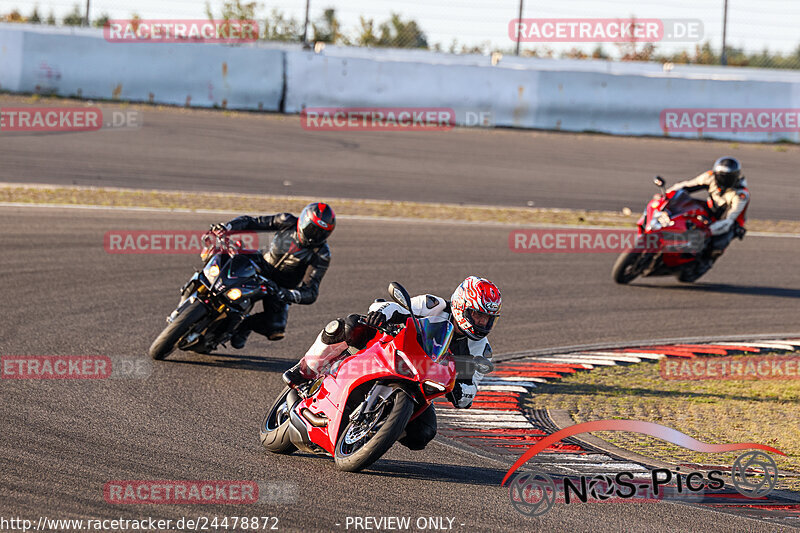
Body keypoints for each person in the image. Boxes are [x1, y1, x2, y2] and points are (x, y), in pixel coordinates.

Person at [283, 276, 502, 451]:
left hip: (420, 381)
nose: (483, 323)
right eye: (478, 315)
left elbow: (471, 389)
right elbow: (394, 307)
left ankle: (376, 430)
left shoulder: (481, 350)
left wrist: (462, 392)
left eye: (488, 318)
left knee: (424, 433)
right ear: (461, 305)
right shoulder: (432, 305)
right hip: (391, 350)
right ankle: (306, 370)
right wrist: (380, 314)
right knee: (348, 326)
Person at [210, 202, 335, 349]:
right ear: (303, 220)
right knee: (224, 259)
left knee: (275, 328)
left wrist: (285, 293)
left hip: (280, 286)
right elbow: (252, 222)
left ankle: (244, 325)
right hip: (260, 265)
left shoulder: (321, 254)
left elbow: (311, 292)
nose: (314, 235)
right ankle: (200, 287)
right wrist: (228, 228)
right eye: (311, 229)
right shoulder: (286, 221)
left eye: (321, 232)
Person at [666, 157, 749, 275]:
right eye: (721, 176)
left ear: (735, 176)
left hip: (730, 220)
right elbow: (685, 186)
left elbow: (729, 219)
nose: (723, 180)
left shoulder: (741, 195)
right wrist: (667, 195)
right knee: (688, 210)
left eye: (727, 177)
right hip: (711, 209)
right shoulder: (710, 176)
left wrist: (708, 231)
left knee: (717, 243)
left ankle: (705, 262)